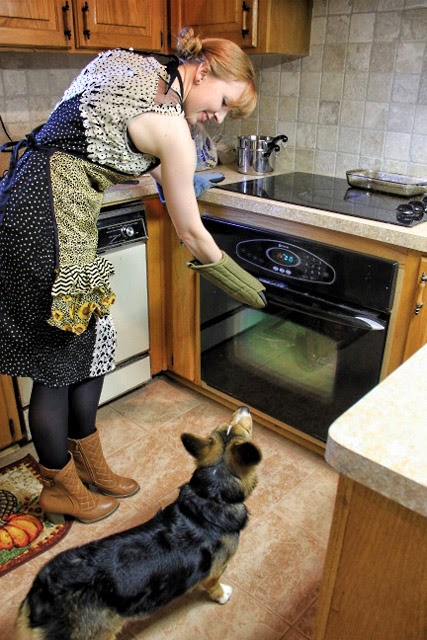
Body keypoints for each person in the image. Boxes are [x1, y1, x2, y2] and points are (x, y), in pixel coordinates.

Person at [0, 28, 266, 525]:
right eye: (224, 102)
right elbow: (191, 231)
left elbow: (116, 143)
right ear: (202, 71)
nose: (219, 116)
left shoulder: (139, 66)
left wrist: (178, 179)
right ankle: (60, 487)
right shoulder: (172, 127)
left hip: (30, 204)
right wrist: (242, 282)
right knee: (57, 362)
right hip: (47, 223)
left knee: (93, 344)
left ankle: (89, 463)